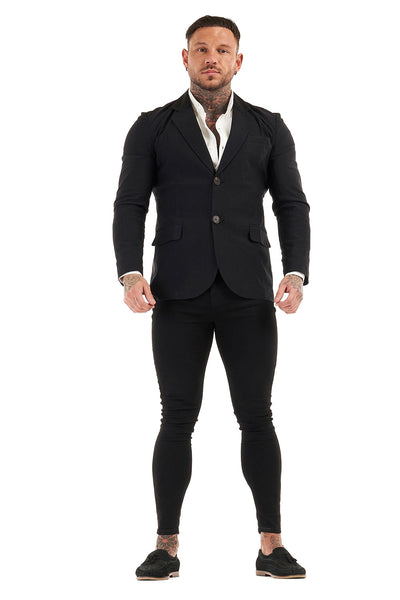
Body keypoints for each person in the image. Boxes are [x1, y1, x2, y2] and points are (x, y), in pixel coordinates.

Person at [113, 15, 310, 580]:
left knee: (257, 416)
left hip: (249, 291)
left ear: (238, 61)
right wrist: (130, 273)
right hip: (176, 292)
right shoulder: (152, 127)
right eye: (201, 49)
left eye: (223, 50)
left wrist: (296, 271)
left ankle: (271, 545)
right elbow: (130, 203)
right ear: (185, 58)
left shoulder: (269, 127)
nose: (211, 58)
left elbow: (291, 203)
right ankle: (165, 545)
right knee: (176, 417)